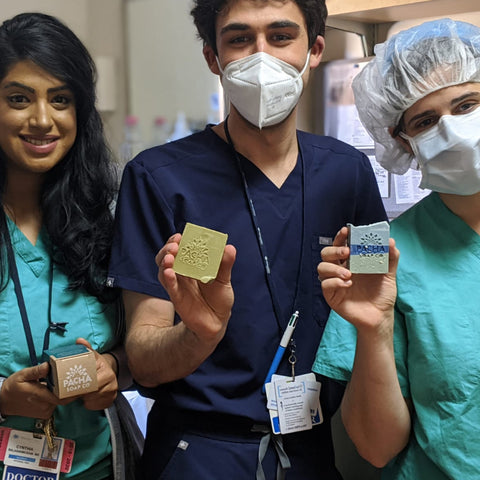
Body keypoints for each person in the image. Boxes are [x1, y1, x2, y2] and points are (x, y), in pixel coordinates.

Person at [107, 0, 387, 478]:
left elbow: (374, 302)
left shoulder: (350, 174)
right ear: (213, 59)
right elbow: (145, 361)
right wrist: (199, 333)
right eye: (239, 40)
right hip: (197, 452)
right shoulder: (162, 180)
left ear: (314, 49)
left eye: (281, 37)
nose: (262, 57)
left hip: (311, 448)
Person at [313, 18, 480, 480]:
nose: (451, 130)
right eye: (425, 121)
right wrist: (373, 330)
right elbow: (375, 448)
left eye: (468, 104)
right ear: (400, 141)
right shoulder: (376, 245)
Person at [0, 12, 142, 480]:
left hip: (100, 466)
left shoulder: (105, 219)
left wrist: (113, 370)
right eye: (19, 99)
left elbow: (133, 348)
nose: (43, 119)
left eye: (60, 99)